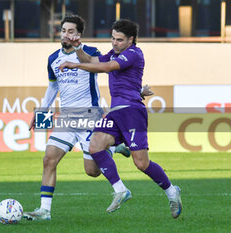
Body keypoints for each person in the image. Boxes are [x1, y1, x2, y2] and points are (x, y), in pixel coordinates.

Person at [23, 15, 152, 221]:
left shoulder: (90, 53)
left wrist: (138, 93)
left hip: (90, 117)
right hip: (66, 118)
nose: (66, 34)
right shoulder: (52, 59)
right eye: (64, 30)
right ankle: (44, 211)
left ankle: (112, 147)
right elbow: (53, 87)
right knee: (49, 159)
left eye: (71, 31)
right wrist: (40, 113)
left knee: (92, 172)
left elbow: (114, 72)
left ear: (79, 34)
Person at [58, 19, 182, 218]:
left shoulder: (134, 53)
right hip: (116, 112)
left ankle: (171, 191)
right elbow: (92, 60)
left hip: (132, 112)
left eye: (119, 40)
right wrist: (77, 47)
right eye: (113, 39)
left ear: (131, 40)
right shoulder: (115, 53)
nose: (114, 43)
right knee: (95, 146)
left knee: (141, 163)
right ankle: (120, 190)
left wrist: (75, 65)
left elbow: (107, 67)